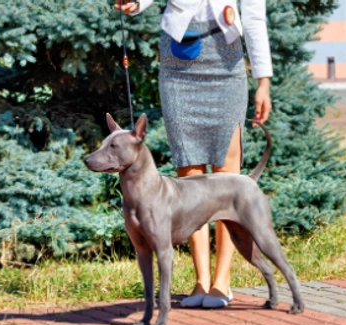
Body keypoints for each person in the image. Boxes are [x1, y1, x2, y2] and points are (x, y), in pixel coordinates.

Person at [115, 0, 273, 308]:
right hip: (178, 62)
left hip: (226, 61)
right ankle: (200, 280)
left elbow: (254, 18)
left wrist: (263, 82)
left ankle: (222, 281)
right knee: (189, 175)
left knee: (227, 178)